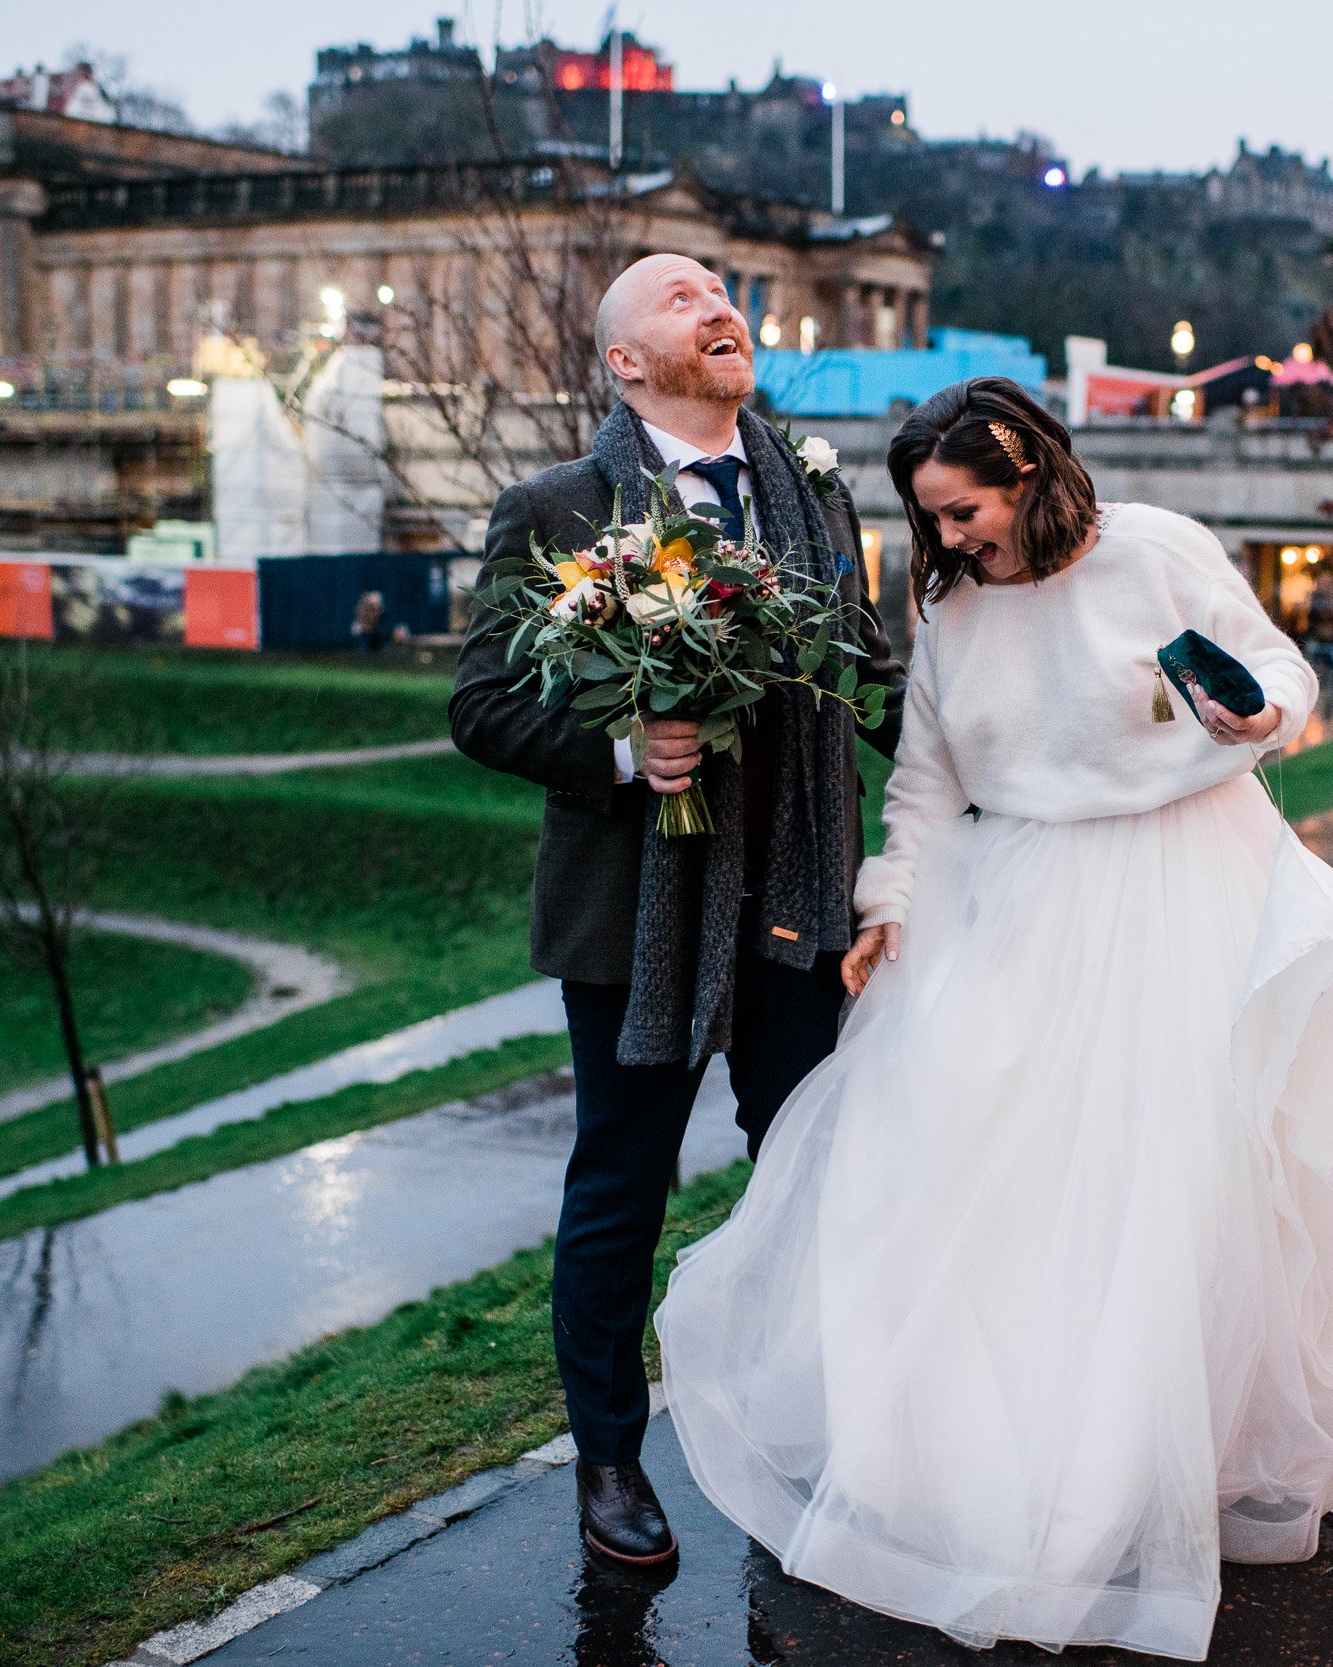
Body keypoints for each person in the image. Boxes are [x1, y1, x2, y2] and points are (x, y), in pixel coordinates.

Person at [656, 378, 1333, 1659]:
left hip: (1185, 882)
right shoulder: (950, 604)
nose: (951, 540)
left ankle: (1149, 1466)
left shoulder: (1161, 550)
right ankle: (1021, 1471)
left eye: (963, 511)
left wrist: (1258, 715)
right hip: (1015, 900)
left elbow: (1285, 676)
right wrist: (891, 902)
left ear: (1027, 468)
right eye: (931, 521)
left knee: (1174, 1186)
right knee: (981, 1180)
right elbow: (922, 780)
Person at [449, 254, 903, 1567]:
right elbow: (482, 707)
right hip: (630, 920)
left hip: (799, 901)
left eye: (723, 292)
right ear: (625, 361)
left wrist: (998, 766)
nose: (719, 307)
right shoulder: (554, 505)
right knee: (621, 1190)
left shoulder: (811, 488)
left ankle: (811, 1427)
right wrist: (617, 752)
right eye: (680, 298)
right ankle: (607, 1461)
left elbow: (868, 674)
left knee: (812, 1176)